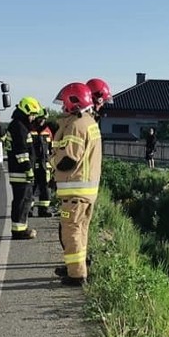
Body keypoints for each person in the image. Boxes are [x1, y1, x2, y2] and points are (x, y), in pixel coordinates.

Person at [50, 82, 102, 287]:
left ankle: (76, 275)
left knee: (70, 231)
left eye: (64, 103)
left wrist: (51, 161)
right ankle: (77, 268)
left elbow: (68, 159)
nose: (62, 108)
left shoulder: (76, 125)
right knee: (80, 232)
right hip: (85, 192)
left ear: (73, 102)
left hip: (75, 190)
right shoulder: (88, 122)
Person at [6, 96, 42, 239]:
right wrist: (29, 169)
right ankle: (19, 231)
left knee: (23, 200)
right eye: (32, 115)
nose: (33, 118)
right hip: (21, 172)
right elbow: (21, 153)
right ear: (26, 112)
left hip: (19, 172)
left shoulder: (18, 125)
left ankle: (21, 228)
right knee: (22, 201)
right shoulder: (19, 127)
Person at [30, 109, 54, 217]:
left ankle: (43, 210)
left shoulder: (48, 131)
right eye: (40, 118)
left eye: (44, 119)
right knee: (31, 187)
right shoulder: (30, 129)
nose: (42, 121)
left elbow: (52, 148)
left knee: (45, 188)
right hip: (33, 164)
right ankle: (29, 210)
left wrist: (52, 163)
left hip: (45, 164)